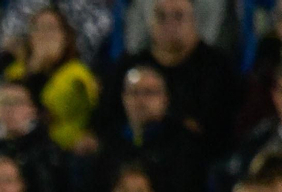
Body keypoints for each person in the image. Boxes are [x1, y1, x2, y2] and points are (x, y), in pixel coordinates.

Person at [96, 0, 240, 160]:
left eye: (178, 16)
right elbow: (106, 119)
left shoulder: (216, 68)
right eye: (161, 16)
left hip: (192, 161)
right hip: (129, 158)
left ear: (194, 20)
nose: (169, 24)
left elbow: (220, 130)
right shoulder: (130, 64)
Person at [86, 65, 214, 192]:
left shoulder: (184, 143)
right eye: (134, 93)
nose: (141, 100)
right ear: (124, 98)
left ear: (165, 99)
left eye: (149, 93)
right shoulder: (110, 142)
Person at [3, 6, 99, 151]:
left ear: (66, 37)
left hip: (62, 147)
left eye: (51, 28)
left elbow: (46, 114)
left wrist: (38, 71)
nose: (45, 35)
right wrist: (34, 69)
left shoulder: (77, 73)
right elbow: (1, 105)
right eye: (38, 28)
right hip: (18, 142)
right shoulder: (16, 70)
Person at [0, 0, 114, 66]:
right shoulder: (25, 3)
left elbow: (84, 48)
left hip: (72, 68)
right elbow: (8, 44)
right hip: (27, 67)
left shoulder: (94, 8)